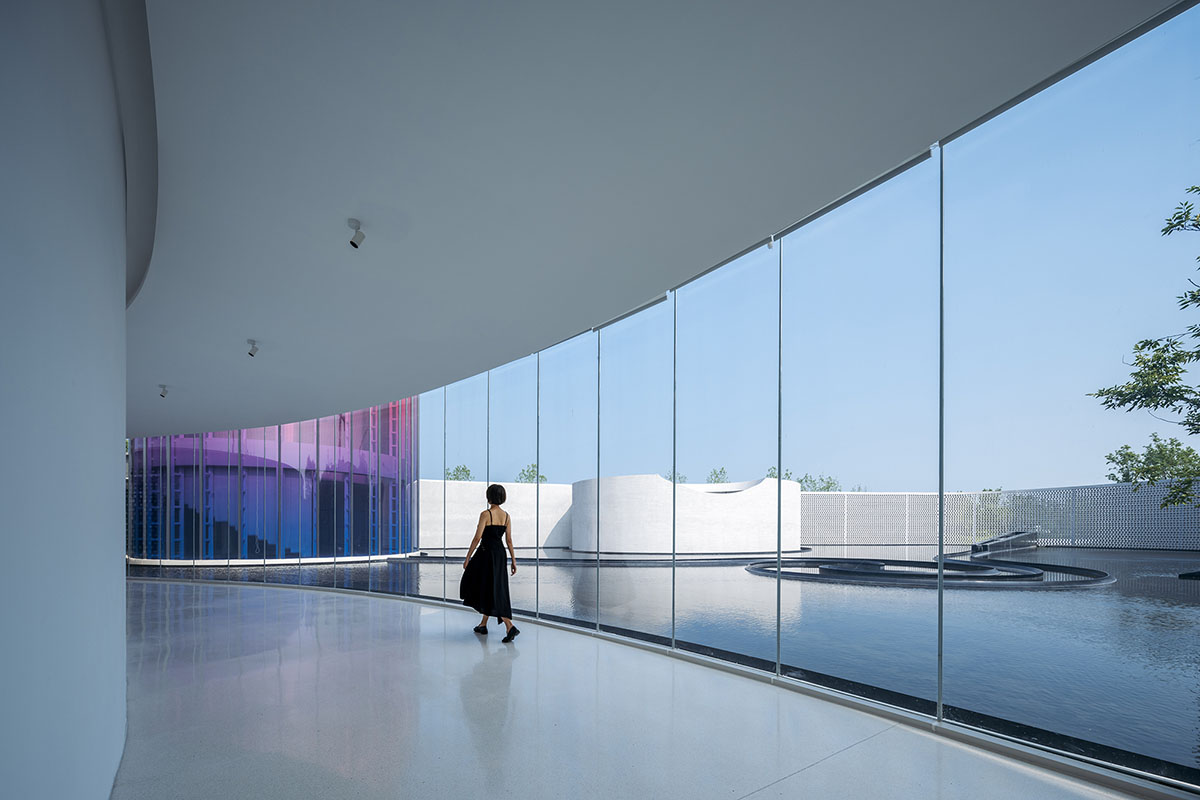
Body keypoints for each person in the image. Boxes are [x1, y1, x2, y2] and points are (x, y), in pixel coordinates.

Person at [460, 484, 520, 642]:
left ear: (489, 497)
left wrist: (467, 558)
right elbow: (509, 540)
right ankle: (483, 624)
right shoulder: (507, 516)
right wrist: (513, 561)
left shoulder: (485, 514)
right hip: (500, 555)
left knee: (480, 584)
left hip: (486, 554)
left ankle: (510, 626)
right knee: (493, 586)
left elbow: (477, 538)